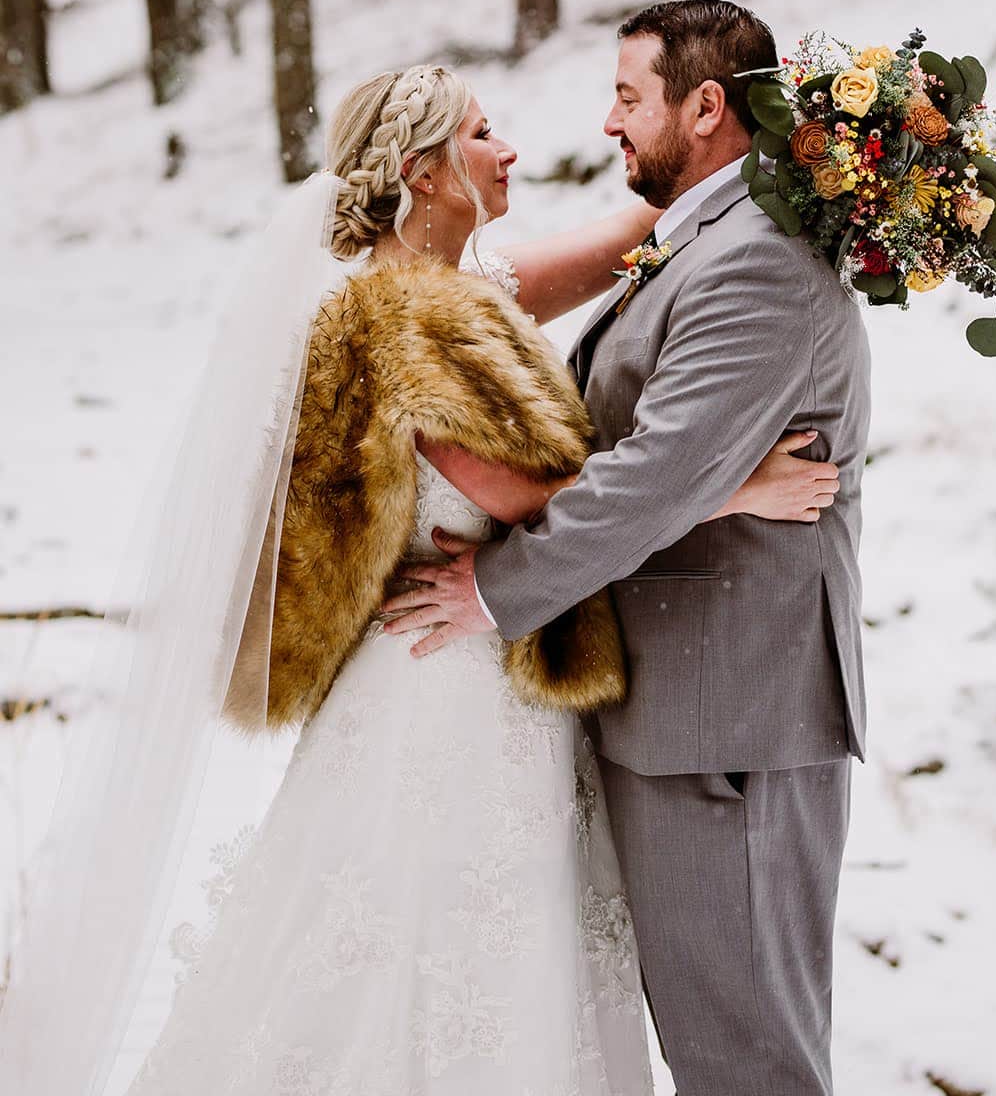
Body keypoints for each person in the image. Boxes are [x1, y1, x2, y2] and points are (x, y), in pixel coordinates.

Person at [0, 60, 839, 1096]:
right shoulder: (400, 322)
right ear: (425, 172)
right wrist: (729, 487)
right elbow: (535, 491)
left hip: (483, 670)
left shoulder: (448, 290)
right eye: (484, 133)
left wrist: (809, 165)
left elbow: (630, 244)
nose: (510, 149)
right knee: (433, 960)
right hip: (448, 690)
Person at [386, 3, 872, 1096]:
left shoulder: (756, 261)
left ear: (705, 107)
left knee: (744, 1054)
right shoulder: (701, 233)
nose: (605, 124)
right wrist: (727, 485)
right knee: (714, 1039)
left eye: (625, 97)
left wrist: (495, 592)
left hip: (729, 718)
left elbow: (650, 475)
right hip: (680, 704)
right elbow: (654, 462)